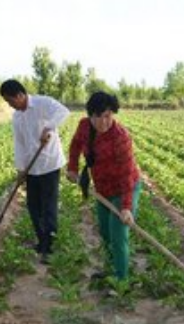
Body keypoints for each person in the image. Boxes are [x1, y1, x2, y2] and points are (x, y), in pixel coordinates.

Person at [67, 91, 141, 280]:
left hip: (124, 188)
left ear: (113, 114)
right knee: (105, 232)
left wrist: (125, 207)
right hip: (102, 189)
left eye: (107, 116)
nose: (102, 122)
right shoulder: (84, 127)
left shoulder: (120, 137)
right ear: (90, 115)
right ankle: (111, 269)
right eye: (97, 116)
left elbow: (126, 175)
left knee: (118, 235)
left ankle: (121, 281)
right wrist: (72, 168)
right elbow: (75, 145)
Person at [0, 79, 70, 263]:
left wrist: (49, 127)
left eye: (10, 101)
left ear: (20, 95)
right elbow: (19, 145)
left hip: (49, 164)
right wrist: (20, 169)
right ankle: (41, 241)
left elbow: (63, 112)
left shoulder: (42, 103)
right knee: (33, 206)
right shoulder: (17, 117)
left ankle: (50, 246)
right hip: (32, 168)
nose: (10, 105)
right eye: (7, 103)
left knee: (48, 207)